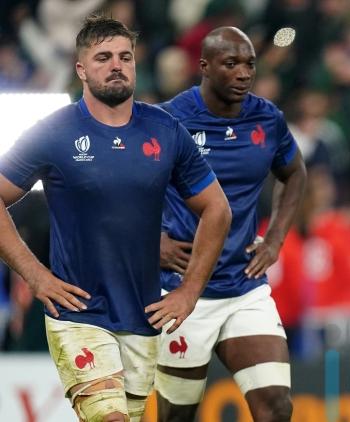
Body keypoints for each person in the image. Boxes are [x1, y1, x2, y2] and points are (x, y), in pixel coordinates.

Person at [0, 16, 232, 422]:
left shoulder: (165, 130)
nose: (116, 65)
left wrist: (190, 290)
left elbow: (217, 209)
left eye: (125, 57)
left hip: (143, 316)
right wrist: (36, 276)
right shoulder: (53, 132)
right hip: (78, 313)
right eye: (103, 57)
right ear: (81, 69)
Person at [155, 27, 306, 422]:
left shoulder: (267, 118)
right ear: (204, 66)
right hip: (182, 290)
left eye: (250, 64)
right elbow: (126, 186)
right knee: (177, 416)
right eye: (231, 63)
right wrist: (151, 240)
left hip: (243, 287)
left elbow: (294, 173)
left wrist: (274, 239)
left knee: (276, 406)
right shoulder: (170, 119)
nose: (244, 73)